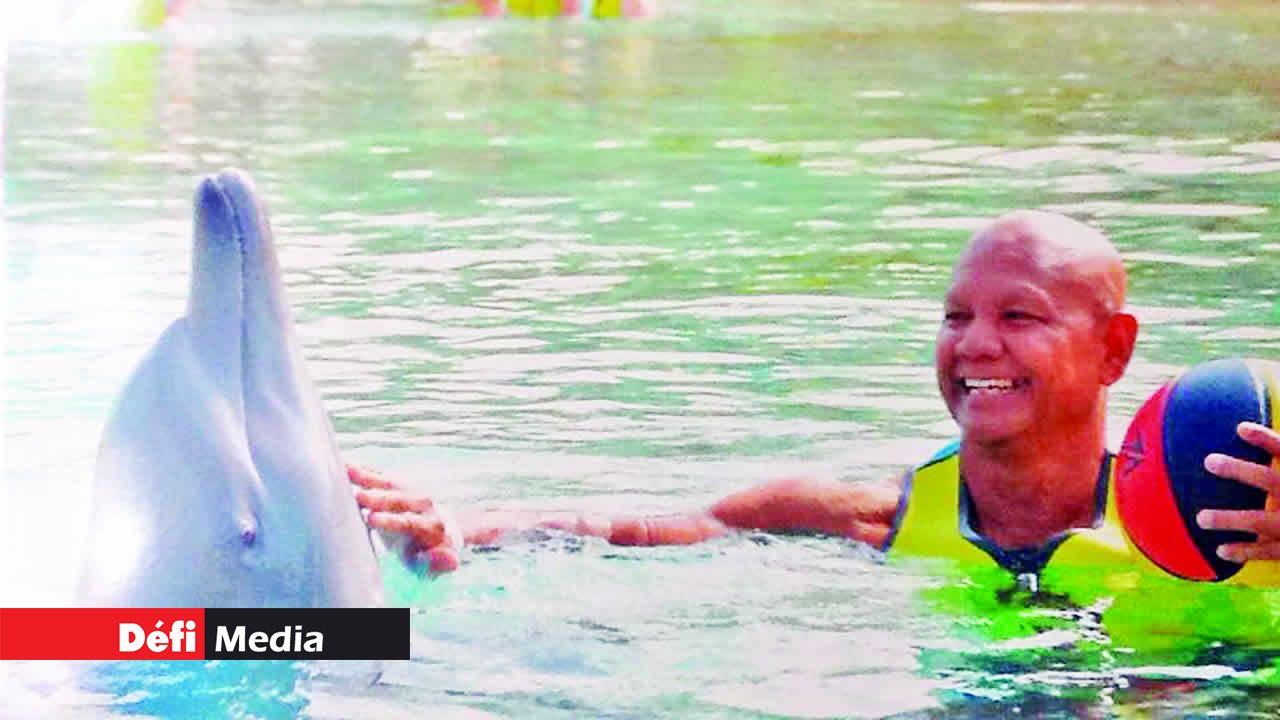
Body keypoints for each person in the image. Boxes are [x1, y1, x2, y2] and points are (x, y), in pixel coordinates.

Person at [350, 210, 1280, 581]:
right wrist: (453, 526)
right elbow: (631, 527)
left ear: (1115, 350)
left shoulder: (1242, 527)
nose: (974, 345)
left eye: (1019, 316)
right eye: (955, 317)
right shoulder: (869, 523)